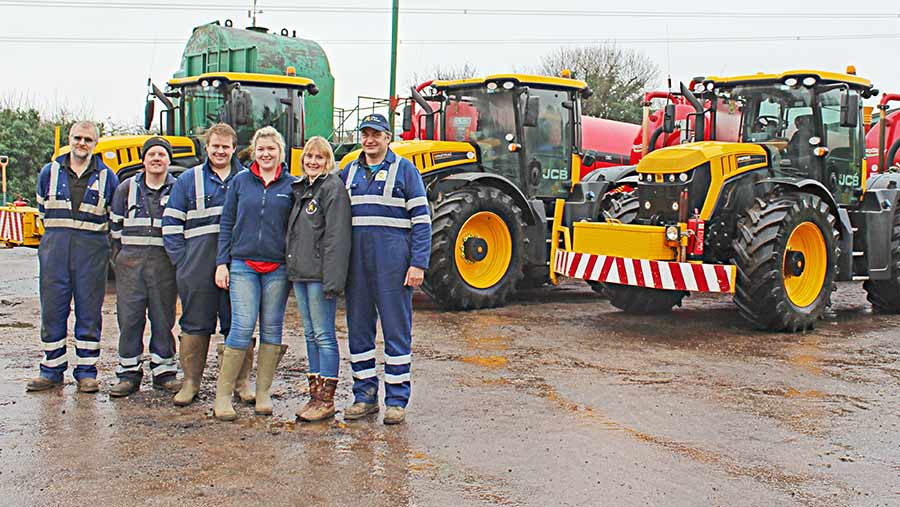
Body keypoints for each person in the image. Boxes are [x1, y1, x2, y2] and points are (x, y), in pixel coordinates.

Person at [339, 113, 432, 425]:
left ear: (388, 138)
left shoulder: (406, 170)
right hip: (357, 266)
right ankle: (363, 396)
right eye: (365, 134)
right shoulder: (348, 171)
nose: (369, 140)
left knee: (396, 332)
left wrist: (418, 263)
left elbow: (421, 221)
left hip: (393, 265)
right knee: (359, 331)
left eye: (376, 134)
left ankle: (396, 400)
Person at [27, 121, 119, 393]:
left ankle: (86, 372)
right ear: (69, 139)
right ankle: (51, 370)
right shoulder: (49, 172)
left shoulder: (107, 177)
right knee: (53, 309)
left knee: (89, 311)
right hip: (55, 248)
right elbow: (42, 209)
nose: (82, 143)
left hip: (91, 251)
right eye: (77, 138)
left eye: (88, 139)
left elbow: (112, 217)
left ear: (95, 144)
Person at [163, 124, 250, 406]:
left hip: (238, 266)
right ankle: (191, 383)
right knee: (194, 324)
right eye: (215, 146)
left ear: (234, 148)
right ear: (207, 148)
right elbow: (171, 223)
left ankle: (241, 383)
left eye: (226, 146)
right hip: (197, 266)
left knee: (238, 323)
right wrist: (183, 261)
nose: (220, 151)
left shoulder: (247, 179)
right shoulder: (189, 180)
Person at [213, 126, 294, 421]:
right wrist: (222, 262)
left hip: (277, 268)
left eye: (271, 149)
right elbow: (227, 223)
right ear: (253, 152)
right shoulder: (240, 182)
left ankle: (263, 392)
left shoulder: (291, 186)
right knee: (242, 326)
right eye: (261, 149)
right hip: (243, 264)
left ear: (280, 153)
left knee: (272, 328)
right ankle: (223, 395)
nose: (266, 153)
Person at [286, 136, 352, 422]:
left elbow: (337, 238)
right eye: (309, 157)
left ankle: (327, 399)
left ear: (328, 161)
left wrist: (333, 282)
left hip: (319, 276)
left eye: (320, 157)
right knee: (310, 334)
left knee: (324, 335)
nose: (313, 161)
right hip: (301, 273)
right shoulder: (303, 189)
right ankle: (314, 395)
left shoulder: (332, 189)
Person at [108, 137, 180, 397]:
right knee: (130, 319)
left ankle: (164, 371)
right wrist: (123, 259)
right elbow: (114, 228)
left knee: (163, 318)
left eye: (162, 154)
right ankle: (128, 373)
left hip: (164, 265)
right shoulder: (126, 188)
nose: (157, 158)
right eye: (152, 154)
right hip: (130, 265)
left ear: (169, 160)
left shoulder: (178, 188)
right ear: (144, 159)